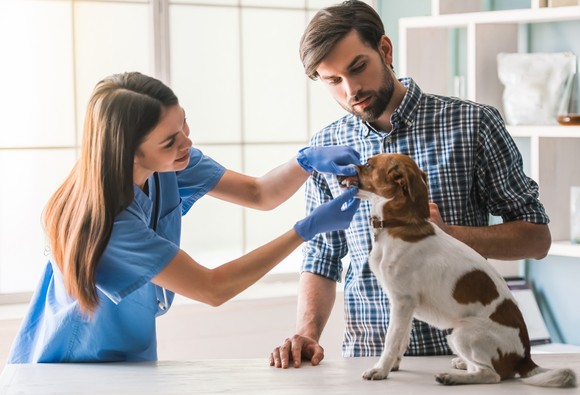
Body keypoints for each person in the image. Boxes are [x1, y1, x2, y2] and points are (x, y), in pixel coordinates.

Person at [270, 0, 551, 369]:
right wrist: (306, 333)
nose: (351, 90)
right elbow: (322, 257)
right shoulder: (327, 149)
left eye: (358, 68)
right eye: (333, 81)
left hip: (461, 357)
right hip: (367, 362)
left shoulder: (473, 124)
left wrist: (447, 233)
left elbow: (537, 238)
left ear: (384, 50)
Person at [7, 71, 362, 363]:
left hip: (131, 358)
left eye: (184, 125)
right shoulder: (107, 221)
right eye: (169, 140)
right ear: (129, 152)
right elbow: (212, 288)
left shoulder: (169, 163)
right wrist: (306, 230)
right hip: (71, 366)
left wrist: (304, 162)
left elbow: (259, 193)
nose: (186, 143)